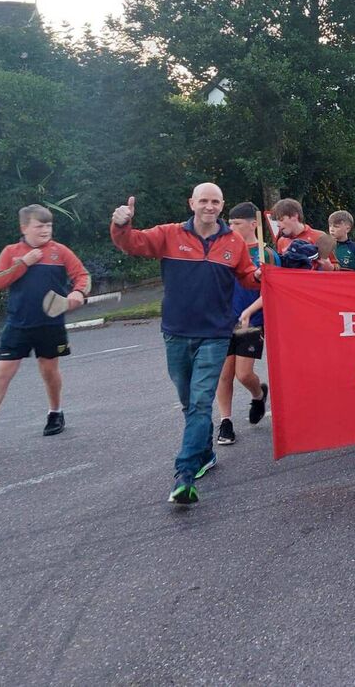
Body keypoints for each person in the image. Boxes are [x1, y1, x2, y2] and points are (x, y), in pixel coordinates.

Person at [111, 185, 260, 505]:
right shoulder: (168, 234)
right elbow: (131, 243)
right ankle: (205, 453)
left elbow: (246, 276)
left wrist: (259, 275)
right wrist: (121, 223)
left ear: (222, 205)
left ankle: (185, 474)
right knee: (187, 401)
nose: (209, 206)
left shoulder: (233, 242)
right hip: (176, 333)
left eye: (215, 201)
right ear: (192, 203)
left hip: (216, 335)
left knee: (200, 402)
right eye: (203, 201)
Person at [0, 204, 90, 458]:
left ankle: (55, 413)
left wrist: (77, 293)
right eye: (39, 226)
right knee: (2, 374)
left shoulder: (60, 251)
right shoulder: (11, 252)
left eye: (49, 225)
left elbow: (82, 275)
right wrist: (23, 264)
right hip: (17, 324)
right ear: (24, 228)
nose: (45, 230)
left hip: (50, 325)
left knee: (49, 371)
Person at [214, 202, 278, 447]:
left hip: (252, 322)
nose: (231, 227)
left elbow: (272, 291)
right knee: (224, 375)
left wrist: (250, 310)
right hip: (224, 321)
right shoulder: (224, 250)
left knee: (243, 374)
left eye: (237, 223)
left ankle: (258, 394)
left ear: (253, 224)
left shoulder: (266, 253)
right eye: (229, 223)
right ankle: (226, 421)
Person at [273, 199, 336, 269]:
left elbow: (338, 268)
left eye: (281, 220)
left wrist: (330, 267)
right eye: (277, 221)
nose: (278, 224)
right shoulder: (281, 241)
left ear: (295, 216)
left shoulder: (319, 236)